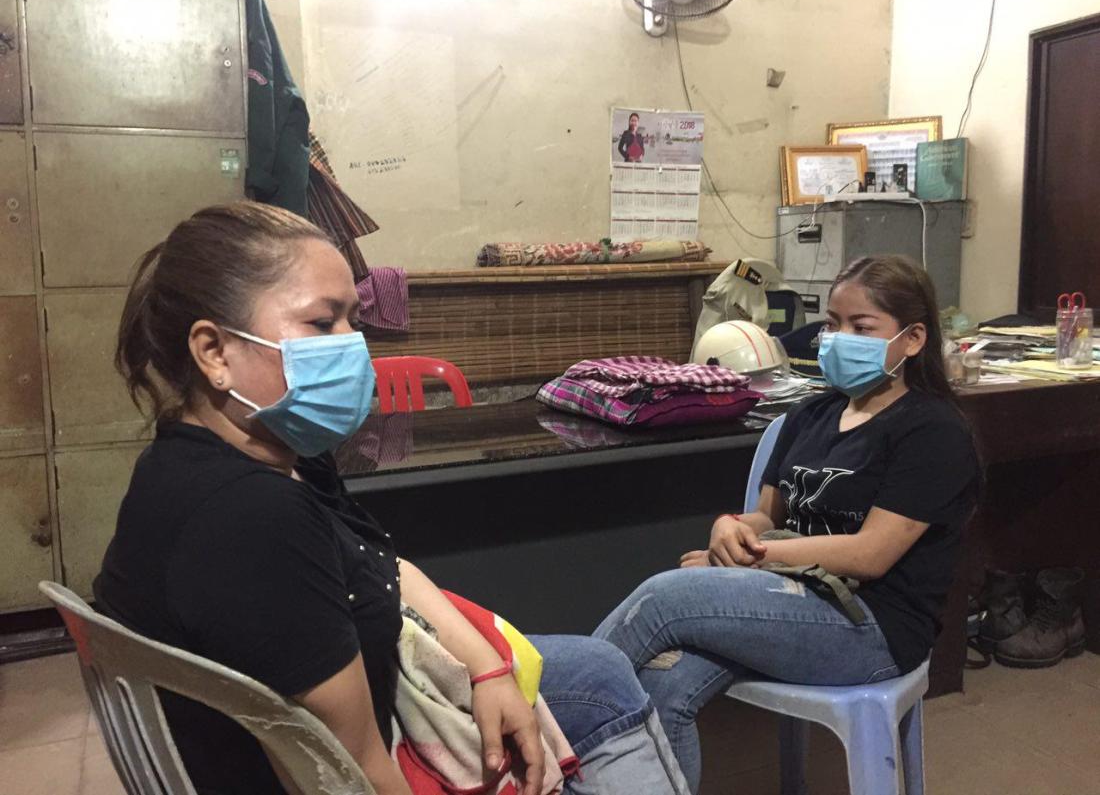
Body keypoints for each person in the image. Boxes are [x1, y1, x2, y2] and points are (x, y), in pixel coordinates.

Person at [94, 202, 688, 795]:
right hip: (368, 764)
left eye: (353, 319)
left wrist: (486, 668)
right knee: (606, 693)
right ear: (214, 352)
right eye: (322, 323)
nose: (353, 345)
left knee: (599, 670)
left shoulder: (252, 457)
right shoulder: (251, 517)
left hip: (391, 703)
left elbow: (379, 566)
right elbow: (354, 771)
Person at [594, 255, 980, 793]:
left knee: (663, 600)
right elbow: (766, 516)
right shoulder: (810, 415)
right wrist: (730, 528)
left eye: (862, 328)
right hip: (789, 596)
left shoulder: (932, 432)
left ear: (913, 339)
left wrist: (743, 561)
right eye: (833, 324)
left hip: (871, 624)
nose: (839, 339)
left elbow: (870, 554)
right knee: (665, 683)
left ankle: (552, 720)